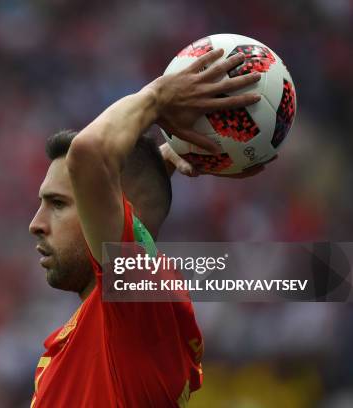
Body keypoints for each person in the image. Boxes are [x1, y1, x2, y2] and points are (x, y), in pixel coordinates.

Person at [28, 49, 263, 407]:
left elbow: (89, 154)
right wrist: (162, 160)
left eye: (58, 204)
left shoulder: (142, 301)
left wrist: (159, 97)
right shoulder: (78, 343)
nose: (35, 224)